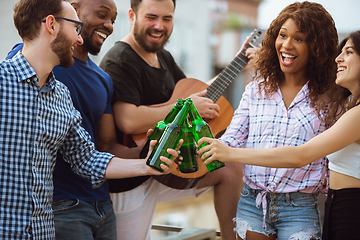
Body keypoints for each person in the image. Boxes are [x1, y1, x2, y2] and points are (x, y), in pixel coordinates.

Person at [1, 0, 179, 239]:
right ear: (51, 25)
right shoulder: (3, 82)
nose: (80, 39)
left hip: (43, 232)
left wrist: (146, 164)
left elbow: (87, 158)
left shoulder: (61, 96)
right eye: (75, 28)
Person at [99, 0, 243, 239]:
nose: (159, 26)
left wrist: (238, 62)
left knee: (230, 168)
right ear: (132, 15)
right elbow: (128, 120)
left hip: (164, 168)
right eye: (151, 17)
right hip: (130, 180)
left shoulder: (162, 57)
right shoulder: (120, 59)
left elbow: (195, 93)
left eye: (167, 19)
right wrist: (184, 106)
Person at [199, 30, 360, 240]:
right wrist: (274, 59)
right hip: (334, 204)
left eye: (348, 52)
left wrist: (230, 154)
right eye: (283, 37)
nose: (338, 58)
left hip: (348, 208)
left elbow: (300, 156)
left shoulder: (354, 114)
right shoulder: (347, 106)